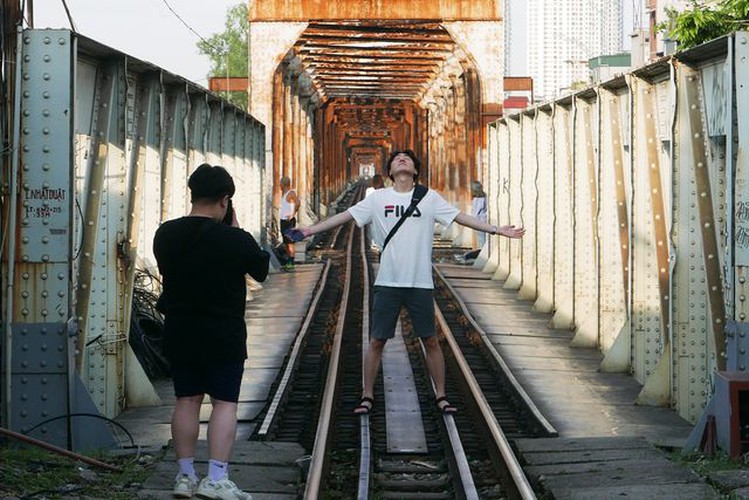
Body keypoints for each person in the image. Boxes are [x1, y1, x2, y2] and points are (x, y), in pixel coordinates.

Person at [293, 150, 524, 415]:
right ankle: (367, 396)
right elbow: (344, 216)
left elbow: (461, 217)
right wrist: (309, 230)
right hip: (388, 281)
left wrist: (496, 230)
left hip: (420, 283)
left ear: (415, 169)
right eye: (397, 158)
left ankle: (441, 396)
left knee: (431, 340)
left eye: (408, 158)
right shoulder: (378, 199)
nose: (402, 159)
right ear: (390, 170)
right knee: (377, 340)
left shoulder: (429, 198)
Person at [153, 164, 270, 500]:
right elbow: (261, 269)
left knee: (186, 401)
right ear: (225, 199)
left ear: (192, 194)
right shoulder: (235, 239)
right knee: (224, 404)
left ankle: (185, 477)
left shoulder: (165, 234)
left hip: (180, 330)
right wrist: (236, 230)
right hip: (223, 333)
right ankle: (217, 478)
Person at [279, 176, 300, 271]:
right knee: (286, 242)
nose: (279, 185)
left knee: (290, 242)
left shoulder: (290, 193)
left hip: (289, 221)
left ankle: (291, 263)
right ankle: (288, 263)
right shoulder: (284, 193)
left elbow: (298, 203)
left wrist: (293, 213)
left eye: (280, 183)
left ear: (284, 184)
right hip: (283, 220)